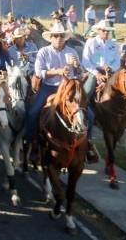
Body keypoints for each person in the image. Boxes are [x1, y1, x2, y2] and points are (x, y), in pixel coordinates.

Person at [25, 24, 84, 157]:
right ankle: (30, 141)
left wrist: (77, 66)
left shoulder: (72, 52)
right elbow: (39, 72)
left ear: (65, 38)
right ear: (50, 38)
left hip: (68, 88)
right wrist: (59, 71)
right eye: (56, 36)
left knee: (88, 114)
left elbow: (80, 74)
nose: (59, 38)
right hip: (49, 87)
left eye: (61, 36)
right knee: (33, 112)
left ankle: (86, 145)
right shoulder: (44, 51)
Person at [82, 19, 121, 156]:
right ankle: (83, 109)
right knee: (86, 93)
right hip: (94, 73)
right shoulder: (91, 42)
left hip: (110, 73)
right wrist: (97, 73)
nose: (106, 33)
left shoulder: (113, 45)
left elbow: (117, 61)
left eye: (108, 31)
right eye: (103, 30)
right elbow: (86, 61)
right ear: (98, 30)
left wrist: (111, 69)